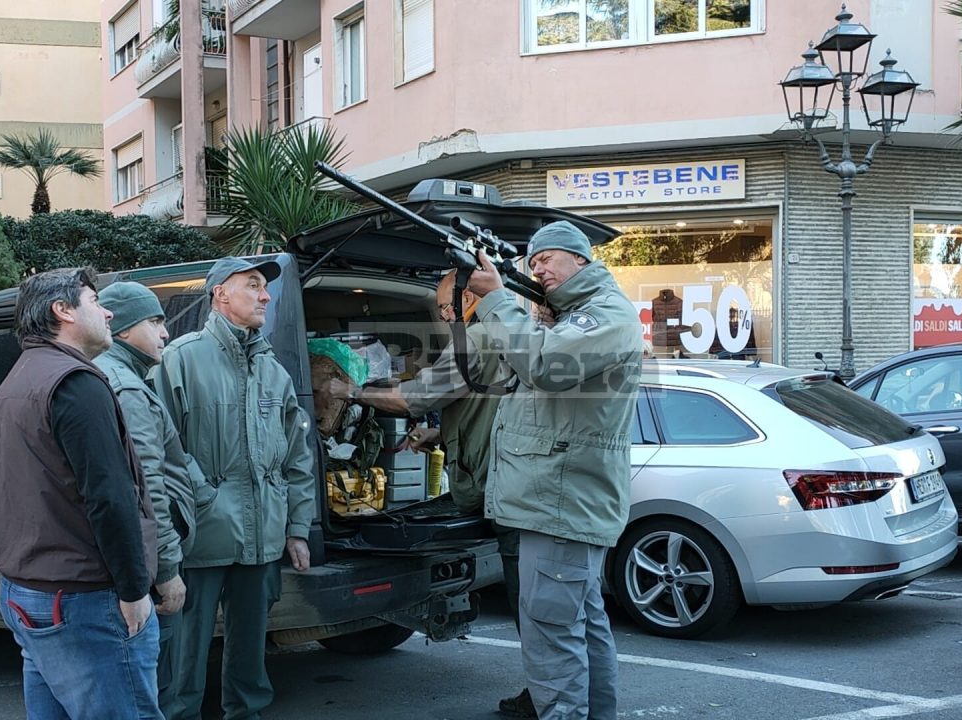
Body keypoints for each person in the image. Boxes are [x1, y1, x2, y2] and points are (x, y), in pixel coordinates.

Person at [333, 270, 535, 718]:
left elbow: (412, 398)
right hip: (513, 483)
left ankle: (548, 697)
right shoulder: (517, 334)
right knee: (544, 608)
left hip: (505, 490)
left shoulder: (475, 340)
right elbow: (488, 408)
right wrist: (438, 437)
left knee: (535, 609)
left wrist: (352, 390)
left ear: (471, 299)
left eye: (446, 307)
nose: (444, 317)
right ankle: (560, 693)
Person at [467, 221, 643, 720]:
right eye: (532, 261)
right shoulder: (577, 316)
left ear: (581, 261)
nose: (537, 268)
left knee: (551, 637)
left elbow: (544, 366)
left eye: (547, 258)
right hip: (560, 500)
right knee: (581, 630)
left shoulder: (605, 314)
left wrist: (499, 301)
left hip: (560, 501)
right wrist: (537, 320)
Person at [0, 267, 161, 719]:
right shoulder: (75, 382)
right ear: (62, 311)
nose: (106, 311)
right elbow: (110, 496)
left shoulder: (17, 380)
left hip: (29, 592)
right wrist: (133, 587)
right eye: (93, 300)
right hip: (84, 598)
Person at [154, 257, 316, 720]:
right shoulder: (179, 360)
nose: (265, 296)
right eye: (253, 285)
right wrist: (204, 498)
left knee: (251, 661)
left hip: (262, 539)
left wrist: (296, 526)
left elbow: (296, 456)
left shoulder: (273, 370)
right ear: (220, 294)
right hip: (201, 537)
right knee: (183, 660)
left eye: (265, 287)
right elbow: (159, 448)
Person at [95, 281, 204, 703]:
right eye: (155, 321)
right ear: (122, 329)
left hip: (135, 564)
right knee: (148, 688)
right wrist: (167, 571)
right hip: (150, 568)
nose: (165, 333)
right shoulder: (126, 387)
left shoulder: (124, 376)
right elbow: (145, 489)